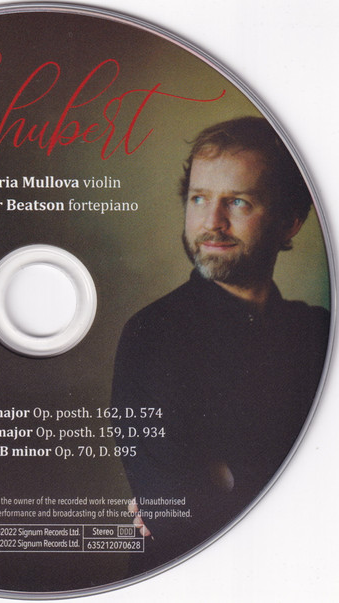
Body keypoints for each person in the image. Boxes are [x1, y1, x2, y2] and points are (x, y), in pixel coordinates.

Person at [111, 116, 330, 567]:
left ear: (290, 221)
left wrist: (228, 476)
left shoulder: (320, 331)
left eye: (238, 202)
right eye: (199, 198)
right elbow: (172, 512)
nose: (213, 222)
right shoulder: (152, 334)